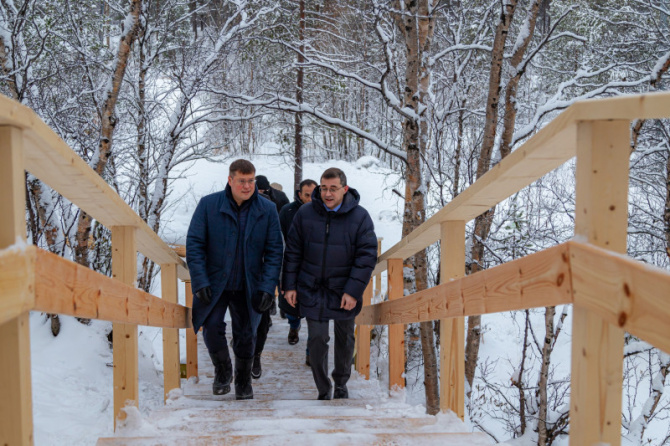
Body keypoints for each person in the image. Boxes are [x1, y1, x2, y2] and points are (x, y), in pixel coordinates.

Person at [186, 159, 283, 400]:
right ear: (230, 180)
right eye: (241, 181)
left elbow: (274, 252)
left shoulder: (267, 209)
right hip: (215, 283)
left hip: (248, 283)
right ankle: (222, 370)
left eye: (251, 181)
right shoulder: (209, 205)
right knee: (211, 327)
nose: (247, 186)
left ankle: (243, 380)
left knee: (246, 333)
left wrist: (267, 287)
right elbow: (195, 244)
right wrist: (200, 281)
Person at [283, 167, 377, 400]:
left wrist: (353, 291)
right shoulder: (305, 213)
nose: (327, 193)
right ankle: (323, 388)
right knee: (317, 338)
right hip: (311, 287)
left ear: (345, 189)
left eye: (333, 188)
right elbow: (292, 251)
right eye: (324, 188)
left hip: (343, 289)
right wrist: (290, 285)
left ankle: (341, 382)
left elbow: (366, 256)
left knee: (345, 339)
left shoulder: (360, 217)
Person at [278, 179, 318, 349]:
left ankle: (311, 351)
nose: (310, 198)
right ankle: (294, 327)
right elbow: (278, 238)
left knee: (314, 310)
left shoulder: (324, 210)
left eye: (313, 195)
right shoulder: (287, 211)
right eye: (306, 195)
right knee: (291, 305)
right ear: (299, 194)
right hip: (291, 263)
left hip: (315, 266)